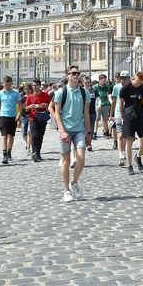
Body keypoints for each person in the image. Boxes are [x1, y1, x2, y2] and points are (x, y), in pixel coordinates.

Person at [53, 65, 91, 202]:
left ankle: (74, 183)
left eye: (77, 73)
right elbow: (57, 113)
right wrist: (62, 131)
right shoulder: (61, 92)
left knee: (81, 158)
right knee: (66, 160)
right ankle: (66, 191)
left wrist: (89, 132)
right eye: (73, 73)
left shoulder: (84, 92)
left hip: (79, 129)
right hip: (66, 129)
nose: (76, 75)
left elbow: (86, 114)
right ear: (67, 75)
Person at [119, 71, 143, 175]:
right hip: (129, 116)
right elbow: (121, 101)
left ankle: (138, 156)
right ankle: (129, 165)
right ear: (134, 78)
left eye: (140, 82)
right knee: (129, 141)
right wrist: (121, 115)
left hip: (141, 116)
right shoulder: (126, 88)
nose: (138, 84)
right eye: (136, 82)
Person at [0, 76, 24, 164]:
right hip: (3, 116)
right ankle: (4, 155)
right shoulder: (0, 93)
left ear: (11, 83)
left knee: (11, 135)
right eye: (6, 84)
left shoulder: (15, 93)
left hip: (13, 116)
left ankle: (9, 152)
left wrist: (19, 114)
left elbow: (20, 105)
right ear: (3, 84)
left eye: (9, 84)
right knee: (4, 135)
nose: (7, 86)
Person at [24, 79, 51, 162]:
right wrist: (30, 107)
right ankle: (34, 152)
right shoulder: (30, 97)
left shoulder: (46, 95)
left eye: (36, 85)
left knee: (40, 136)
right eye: (33, 85)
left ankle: (38, 153)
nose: (34, 87)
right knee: (34, 135)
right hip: (33, 118)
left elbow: (51, 106)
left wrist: (46, 105)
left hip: (42, 118)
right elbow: (25, 109)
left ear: (40, 86)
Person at [109, 70, 130, 159]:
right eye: (122, 78)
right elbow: (114, 101)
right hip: (118, 113)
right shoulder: (116, 87)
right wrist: (111, 114)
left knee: (126, 136)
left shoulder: (131, 87)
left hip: (128, 113)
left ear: (128, 78)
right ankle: (121, 155)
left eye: (125, 78)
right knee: (120, 135)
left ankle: (125, 152)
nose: (123, 80)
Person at [93, 74, 112, 139]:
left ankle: (105, 132)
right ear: (100, 80)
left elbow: (108, 94)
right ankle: (94, 132)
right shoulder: (95, 87)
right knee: (97, 118)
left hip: (105, 104)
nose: (105, 81)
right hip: (97, 104)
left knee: (105, 119)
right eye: (104, 79)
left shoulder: (107, 86)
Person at [20, 83, 33, 153]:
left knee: (29, 133)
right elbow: (21, 108)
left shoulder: (32, 97)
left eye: (28, 89)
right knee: (23, 133)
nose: (27, 91)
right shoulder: (22, 98)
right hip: (24, 116)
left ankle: (28, 148)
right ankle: (28, 142)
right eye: (26, 89)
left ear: (31, 90)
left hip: (31, 116)